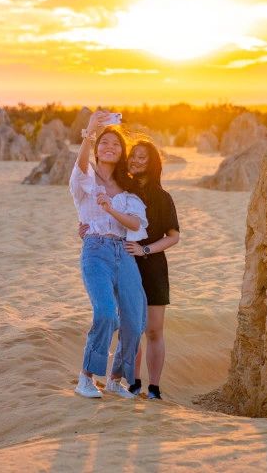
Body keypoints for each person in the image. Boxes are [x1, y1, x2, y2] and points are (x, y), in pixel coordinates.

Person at [79, 139, 180, 400]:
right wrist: (87, 228)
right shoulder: (123, 186)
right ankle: (131, 382)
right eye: (133, 155)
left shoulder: (162, 197)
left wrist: (145, 249)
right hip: (124, 260)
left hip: (151, 266)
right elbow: (97, 212)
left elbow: (173, 236)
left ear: (152, 163)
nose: (135, 160)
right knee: (124, 321)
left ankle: (153, 388)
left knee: (151, 329)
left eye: (142, 157)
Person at [70, 110, 149, 399]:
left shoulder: (128, 187)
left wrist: (111, 208)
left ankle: (115, 380)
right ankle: (86, 378)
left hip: (124, 253)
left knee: (135, 322)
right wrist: (90, 131)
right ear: (96, 147)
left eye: (116, 144)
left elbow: (136, 223)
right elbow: (80, 166)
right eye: (104, 142)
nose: (109, 147)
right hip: (96, 251)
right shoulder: (86, 179)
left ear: (121, 152)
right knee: (105, 312)